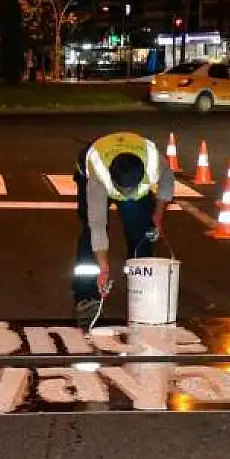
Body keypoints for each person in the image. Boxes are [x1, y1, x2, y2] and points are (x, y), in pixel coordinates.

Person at [72, 131, 176, 328]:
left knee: (142, 234)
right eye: (122, 191)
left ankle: (141, 285)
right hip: (90, 170)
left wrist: (158, 214)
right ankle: (86, 298)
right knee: (89, 237)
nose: (127, 196)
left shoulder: (154, 162)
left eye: (131, 191)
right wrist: (103, 268)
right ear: (112, 181)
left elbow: (167, 181)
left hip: (131, 157)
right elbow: (98, 225)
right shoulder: (98, 174)